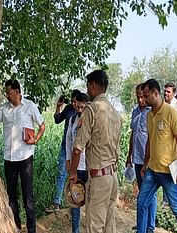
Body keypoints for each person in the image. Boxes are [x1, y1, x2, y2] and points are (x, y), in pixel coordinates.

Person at [0, 79, 46, 233]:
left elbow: (42, 125)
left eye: (10, 92)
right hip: (9, 158)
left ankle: (31, 229)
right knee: (11, 196)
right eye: (6, 93)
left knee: (28, 196)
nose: (7, 96)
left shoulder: (30, 106)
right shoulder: (4, 109)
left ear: (18, 92)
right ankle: (17, 226)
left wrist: (36, 139)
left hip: (25, 157)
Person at [69, 70, 122, 233]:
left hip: (98, 178)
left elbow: (78, 148)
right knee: (109, 225)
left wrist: (73, 173)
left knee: (95, 226)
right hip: (112, 177)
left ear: (92, 86)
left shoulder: (92, 109)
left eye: (87, 86)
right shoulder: (115, 112)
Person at [137, 78, 177, 233]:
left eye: (146, 96)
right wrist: (145, 164)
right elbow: (149, 142)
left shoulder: (171, 112)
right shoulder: (149, 115)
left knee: (176, 208)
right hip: (152, 170)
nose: (144, 99)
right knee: (141, 203)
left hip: (168, 172)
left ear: (156, 93)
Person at [125, 83, 156, 232]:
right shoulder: (135, 112)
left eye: (143, 96)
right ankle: (141, 223)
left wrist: (148, 158)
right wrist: (129, 155)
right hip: (137, 157)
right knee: (141, 190)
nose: (140, 99)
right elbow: (133, 134)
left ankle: (150, 226)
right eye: (138, 96)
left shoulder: (152, 112)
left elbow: (153, 136)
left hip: (148, 158)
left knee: (149, 192)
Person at [46, 89, 81, 212]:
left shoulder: (84, 112)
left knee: (77, 176)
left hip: (79, 149)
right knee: (61, 174)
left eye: (76, 101)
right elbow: (57, 120)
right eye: (72, 101)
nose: (74, 104)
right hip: (65, 147)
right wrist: (58, 107)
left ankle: (76, 201)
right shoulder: (69, 109)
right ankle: (57, 202)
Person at [65, 92, 89, 233]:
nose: (79, 110)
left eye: (82, 108)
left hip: (89, 167)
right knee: (75, 202)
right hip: (76, 167)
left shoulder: (91, 121)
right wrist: (68, 159)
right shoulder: (73, 120)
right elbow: (69, 140)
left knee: (91, 202)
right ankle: (76, 230)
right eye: (77, 107)